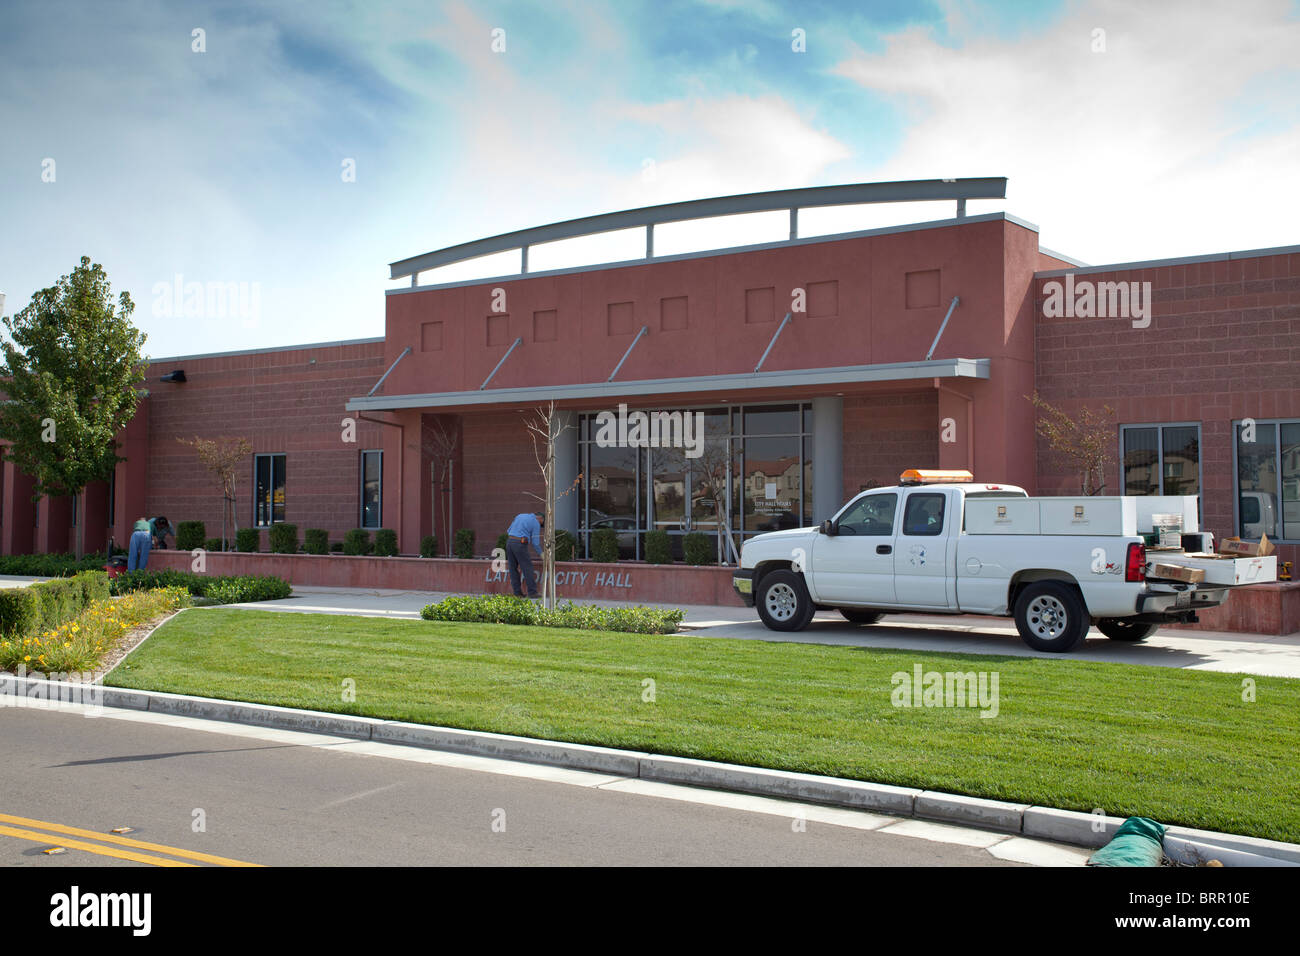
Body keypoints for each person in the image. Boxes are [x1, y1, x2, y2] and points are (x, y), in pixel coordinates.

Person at [504, 512, 544, 598]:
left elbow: (508, 530)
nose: (540, 525)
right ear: (541, 519)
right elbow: (535, 543)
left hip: (509, 542)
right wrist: (542, 555)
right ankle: (532, 592)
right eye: (542, 523)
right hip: (520, 544)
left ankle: (517, 593)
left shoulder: (520, 516)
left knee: (513, 568)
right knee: (527, 567)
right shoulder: (536, 522)